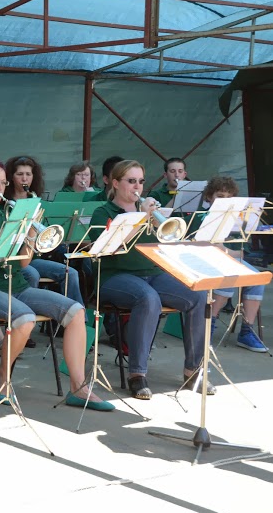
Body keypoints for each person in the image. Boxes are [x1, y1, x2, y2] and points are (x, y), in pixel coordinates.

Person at [0, 157, 112, 411]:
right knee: (24, 318)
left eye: (3, 183)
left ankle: (79, 387)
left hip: (16, 285)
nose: (0, 189)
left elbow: (25, 264)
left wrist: (30, 235)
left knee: (76, 311)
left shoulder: (7, 215)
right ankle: (4, 378)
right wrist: (12, 227)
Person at [89, 160, 211, 400]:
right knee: (148, 299)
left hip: (152, 273)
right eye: (131, 181)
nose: (137, 186)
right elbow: (109, 248)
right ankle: (137, 374)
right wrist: (140, 217)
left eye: (141, 181)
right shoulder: (103, 212)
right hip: (114, 276)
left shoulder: (149, 211)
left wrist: (155, 221)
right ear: (115, 183)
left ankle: (192, 369)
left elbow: (166, 242)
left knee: (197, 295)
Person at [195, 176, 268, 353]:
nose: (225, 202)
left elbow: (243, 251)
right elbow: (197, 247)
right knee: (228, 277)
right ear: (209, 197)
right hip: (204, 262)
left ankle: (247, 331)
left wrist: (225, 251)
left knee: (257, 279)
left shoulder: (239, 220)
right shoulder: (200, 217)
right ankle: (208, 327)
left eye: (229, 198)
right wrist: (221, 250)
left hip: (230, 258)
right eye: (220, 196)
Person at [4, 156, 83, 308]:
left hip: (33, 256)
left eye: (28, 174)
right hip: (13, 258)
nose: (24, 178)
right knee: (32, 274)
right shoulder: (5, 204)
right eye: (20, 174)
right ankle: (26, 314)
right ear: (11, 177)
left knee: (71, 273)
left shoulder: (37, 201)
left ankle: (77, 319)